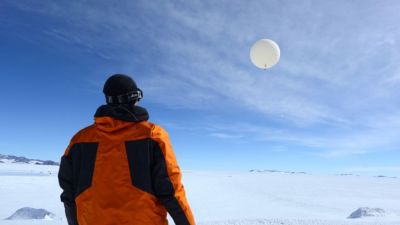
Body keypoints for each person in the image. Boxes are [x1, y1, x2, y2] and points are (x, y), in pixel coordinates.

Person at [58, 74, 195, 225]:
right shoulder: (153, 135)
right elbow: (171, 192)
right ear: (134, 98)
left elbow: (69, 195)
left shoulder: (79, 140)